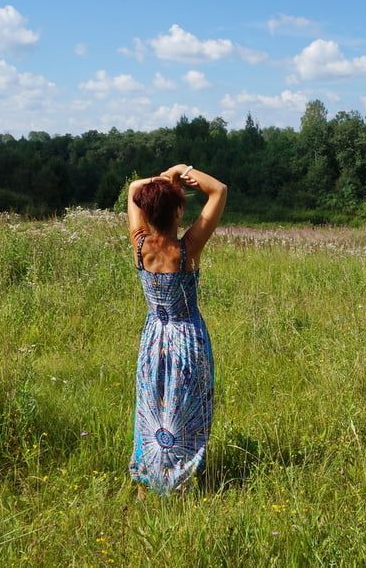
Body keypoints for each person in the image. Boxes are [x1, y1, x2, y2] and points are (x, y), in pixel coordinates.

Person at [126, 163, 227, 496]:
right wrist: (186, 171)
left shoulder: (139, 244)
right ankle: (180, 483)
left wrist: (164, 178)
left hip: (154, 337)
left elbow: (133, 189)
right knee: (185, 407)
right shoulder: (186, 250)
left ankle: (146, 484)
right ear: (179, 211)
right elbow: (220, 190)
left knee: (151, 406)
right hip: (186, 339)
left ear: (147, 211)